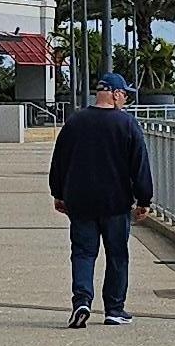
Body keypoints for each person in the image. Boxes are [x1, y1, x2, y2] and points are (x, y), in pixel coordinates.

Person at [46, 69, 152, 326]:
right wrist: (144, 199)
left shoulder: (75, 122)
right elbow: (139, 165)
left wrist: (58, 193)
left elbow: (59, 160)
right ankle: (114, 310)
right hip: (116, 202)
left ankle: (82, 300)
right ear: (115, 95)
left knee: (83, 252)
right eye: (125, 94)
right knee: (117, 254)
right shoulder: (127, 124)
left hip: (80, 202)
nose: (126, 99)